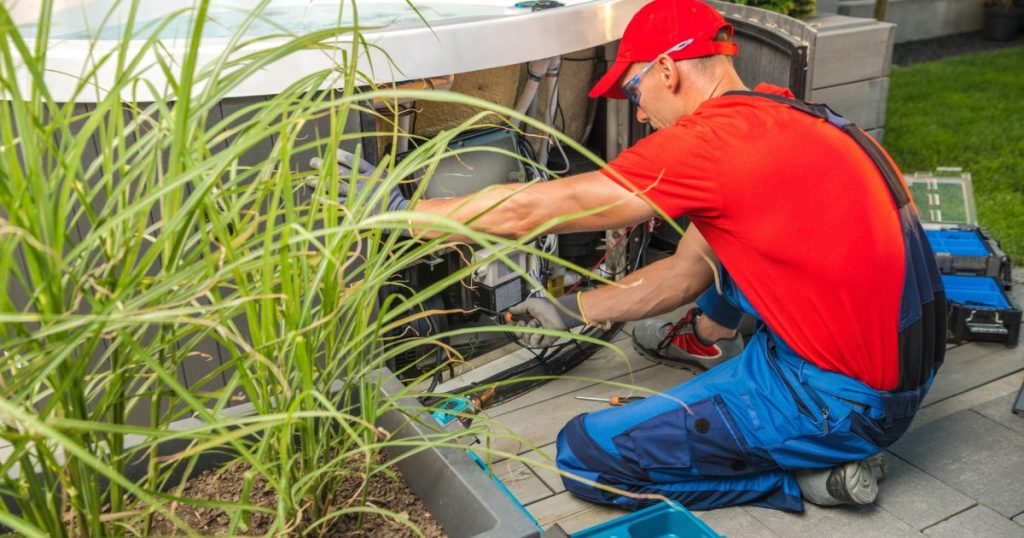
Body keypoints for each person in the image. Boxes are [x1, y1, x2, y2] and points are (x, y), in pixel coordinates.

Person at [327, 0, 946, 513]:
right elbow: (690, 269)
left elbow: (532, 209)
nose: (639, 110)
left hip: (836, 402)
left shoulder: (710, 145)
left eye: (633, 89)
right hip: (896, 372)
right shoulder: (784, 113)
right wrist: (571, 310)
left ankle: (811, 477)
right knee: (724, 273)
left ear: (668, 70)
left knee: (589, 457)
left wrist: (399, 210)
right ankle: (733, 369)